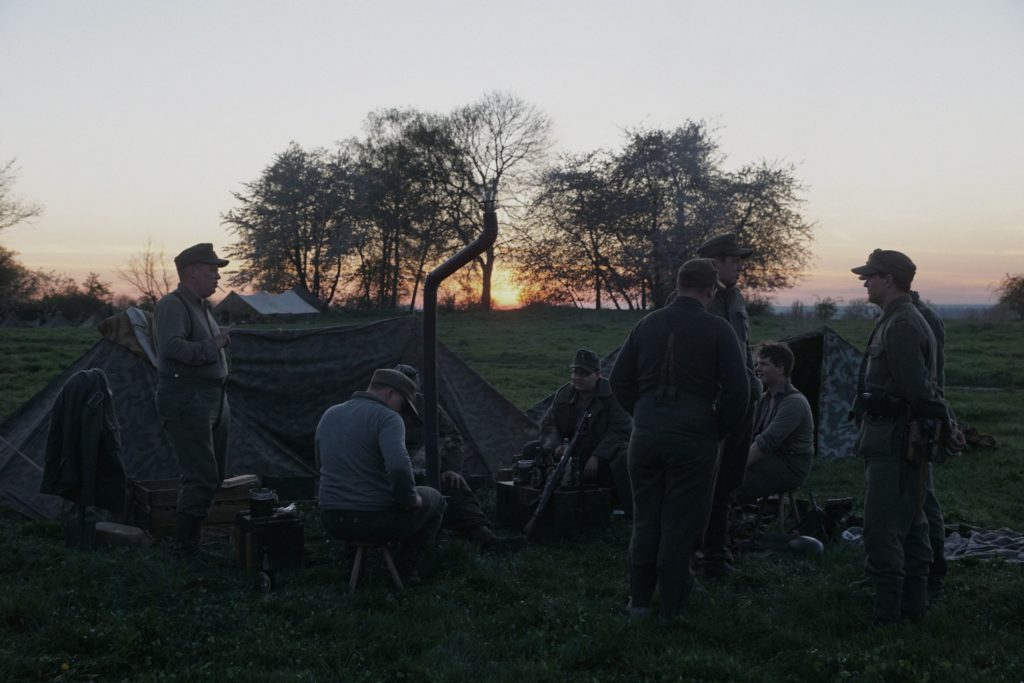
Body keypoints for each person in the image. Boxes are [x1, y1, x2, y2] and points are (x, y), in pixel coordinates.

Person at [610, 258, 748, 624]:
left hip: (645, 436)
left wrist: (643, 414)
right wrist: (717, 428)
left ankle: (639, 604)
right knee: (680, 524)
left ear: (678, 286)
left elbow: (618, 380)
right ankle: (670, 610)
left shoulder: (646, 324)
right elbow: (740, 391)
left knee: (645, 521)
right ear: (710, 290)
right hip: (694, 438)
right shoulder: (718, 329)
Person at [850, 249, 964, 624]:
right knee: (913, 525)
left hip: (895, 441)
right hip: (892, 437)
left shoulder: (902, 324)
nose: (865, 283)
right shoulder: (899, 318)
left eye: (871, 276)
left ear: (890, 279)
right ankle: (913, 607)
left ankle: (887, 615)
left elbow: (919, 391)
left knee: (882, 527)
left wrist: (948, 422)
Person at [316, 368, 445, 584]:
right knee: (435, 498)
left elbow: (320, 464)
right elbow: (398, 468)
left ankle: (352, 566)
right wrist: (410, 499)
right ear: (390, 394)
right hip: (372, 521)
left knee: (359, 496)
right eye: (403, 404)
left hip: (331, 519)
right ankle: (407, 570)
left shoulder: (330, 413)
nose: (402, 411)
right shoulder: (388, 418)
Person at [153, 243, 232, 569]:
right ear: (192, 272)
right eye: (212, 270)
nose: (217, 276)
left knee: (213, 474)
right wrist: (214, 345)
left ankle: (192, 542)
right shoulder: (172, 305)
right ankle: (184, 552)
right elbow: (172, 349)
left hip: (213, 397)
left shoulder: (201, 307)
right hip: (188, 397)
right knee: (200, 475)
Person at [394, 363, 522, 552]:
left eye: (412, 387)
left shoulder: (428, 406)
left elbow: (452, 437)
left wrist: (451, 468)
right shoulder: (382, 410)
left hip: (428, 467)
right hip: (397, 471)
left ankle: (485, 537)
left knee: (455, 484)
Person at [695, 233, 761, 577]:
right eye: (734, 260)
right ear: (715, 262)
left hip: (741, 402)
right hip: (715, 406)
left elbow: (742, 348)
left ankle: (717, 552)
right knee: (707, 483)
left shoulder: (735, 296)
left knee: (728, 482)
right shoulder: (699, 299)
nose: (739, 267)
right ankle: (701, 555)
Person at [536, 349, 633, 515]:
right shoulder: (564, 394)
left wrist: (598, 455)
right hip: (571, 451)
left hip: (602, 452)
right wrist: (556, 445)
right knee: (531, 449)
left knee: (623, 458)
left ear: (597, 374)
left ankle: (628, 509)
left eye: (584, 373)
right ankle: (541, 496)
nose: (577, 377)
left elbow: (621, 429)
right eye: (575, 372)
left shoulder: (612, 394)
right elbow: (548, 423)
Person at [910, 290, 952, 600]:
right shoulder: (908, 315)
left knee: (924, 499)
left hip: (919, 424)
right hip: (910, 423)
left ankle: (934, 573)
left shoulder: (919, 318)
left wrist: (945, 422)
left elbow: (928, 382)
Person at [735, 343, 814, 503]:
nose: (758, 369)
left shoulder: (794, 402)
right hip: (770, 459)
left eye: (764, 364)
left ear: (780, 368)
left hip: (790, 466)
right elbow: (749, 433)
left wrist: (737, 466)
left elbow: (767, 442)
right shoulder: (765, 399)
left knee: (733, 484)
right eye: (757, 364)